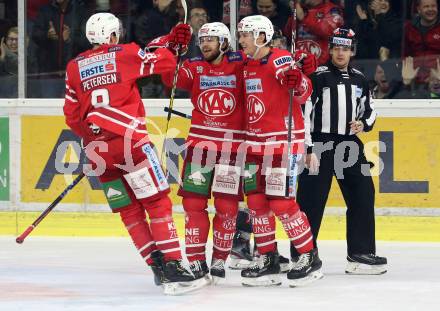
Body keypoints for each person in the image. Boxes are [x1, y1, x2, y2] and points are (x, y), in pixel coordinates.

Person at [63, 12, 205, 295]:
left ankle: (157, 266)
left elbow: (71, 115)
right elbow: (163, 61)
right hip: (131, 144)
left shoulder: (74, 66)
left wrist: (97, 138)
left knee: (129, 211)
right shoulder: (124, 53)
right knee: (157, 204)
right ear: (113, 36)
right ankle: (175, 268)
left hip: (97, 151)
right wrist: (171, 44)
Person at [154, 21, 246, 284]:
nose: (205, 44)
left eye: (211, 40)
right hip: (199, 148)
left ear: (225, 43)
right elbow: (167, 75)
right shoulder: (194, 67)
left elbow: (265, 70)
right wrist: (173, 46)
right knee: (193, 205)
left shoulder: (241, 64)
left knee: (227, 207)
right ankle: (195, 260)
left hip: (231, 148)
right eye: (202, 40)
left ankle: (219, 258)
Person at [293, 28, 388, 275]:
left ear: (351, 51)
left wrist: (363, 124)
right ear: (330, 49)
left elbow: (370, 109)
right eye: (336, 48)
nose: (340, 53)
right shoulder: (317, 76)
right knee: (311, 201)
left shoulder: (359, 78)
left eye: (345, 48)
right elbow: (304, 114)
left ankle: (359, 253)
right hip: (320, 144)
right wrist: (307, 147)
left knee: (363, 194)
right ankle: (304, 254)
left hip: (349, 145)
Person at [238, 14, 322, 287]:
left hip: (282, 144)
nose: (240, 41)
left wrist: (298, 80)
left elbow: (303, 94)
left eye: (245, 35)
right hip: (254, 144)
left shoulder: (280, 58)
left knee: (282, 204)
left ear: (261, 37)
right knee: (256, 203)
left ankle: (309, 256)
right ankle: (268, 256)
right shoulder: (247, 63)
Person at [284, 0, 344, 65]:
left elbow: (328, 31)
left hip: (322, 65)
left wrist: (304, 18)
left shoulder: (333, 10)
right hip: (299, 63)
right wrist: (294, 15)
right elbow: (288, 35)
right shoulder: (301, 9)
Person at [403, 0, 440, 83]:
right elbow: (405, 54)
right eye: (426, 6)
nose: (431, 9)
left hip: (437, 80)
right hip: (414, 80)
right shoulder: (409, 28)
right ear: (419, 9)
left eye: (433, 6)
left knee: (435, 94)